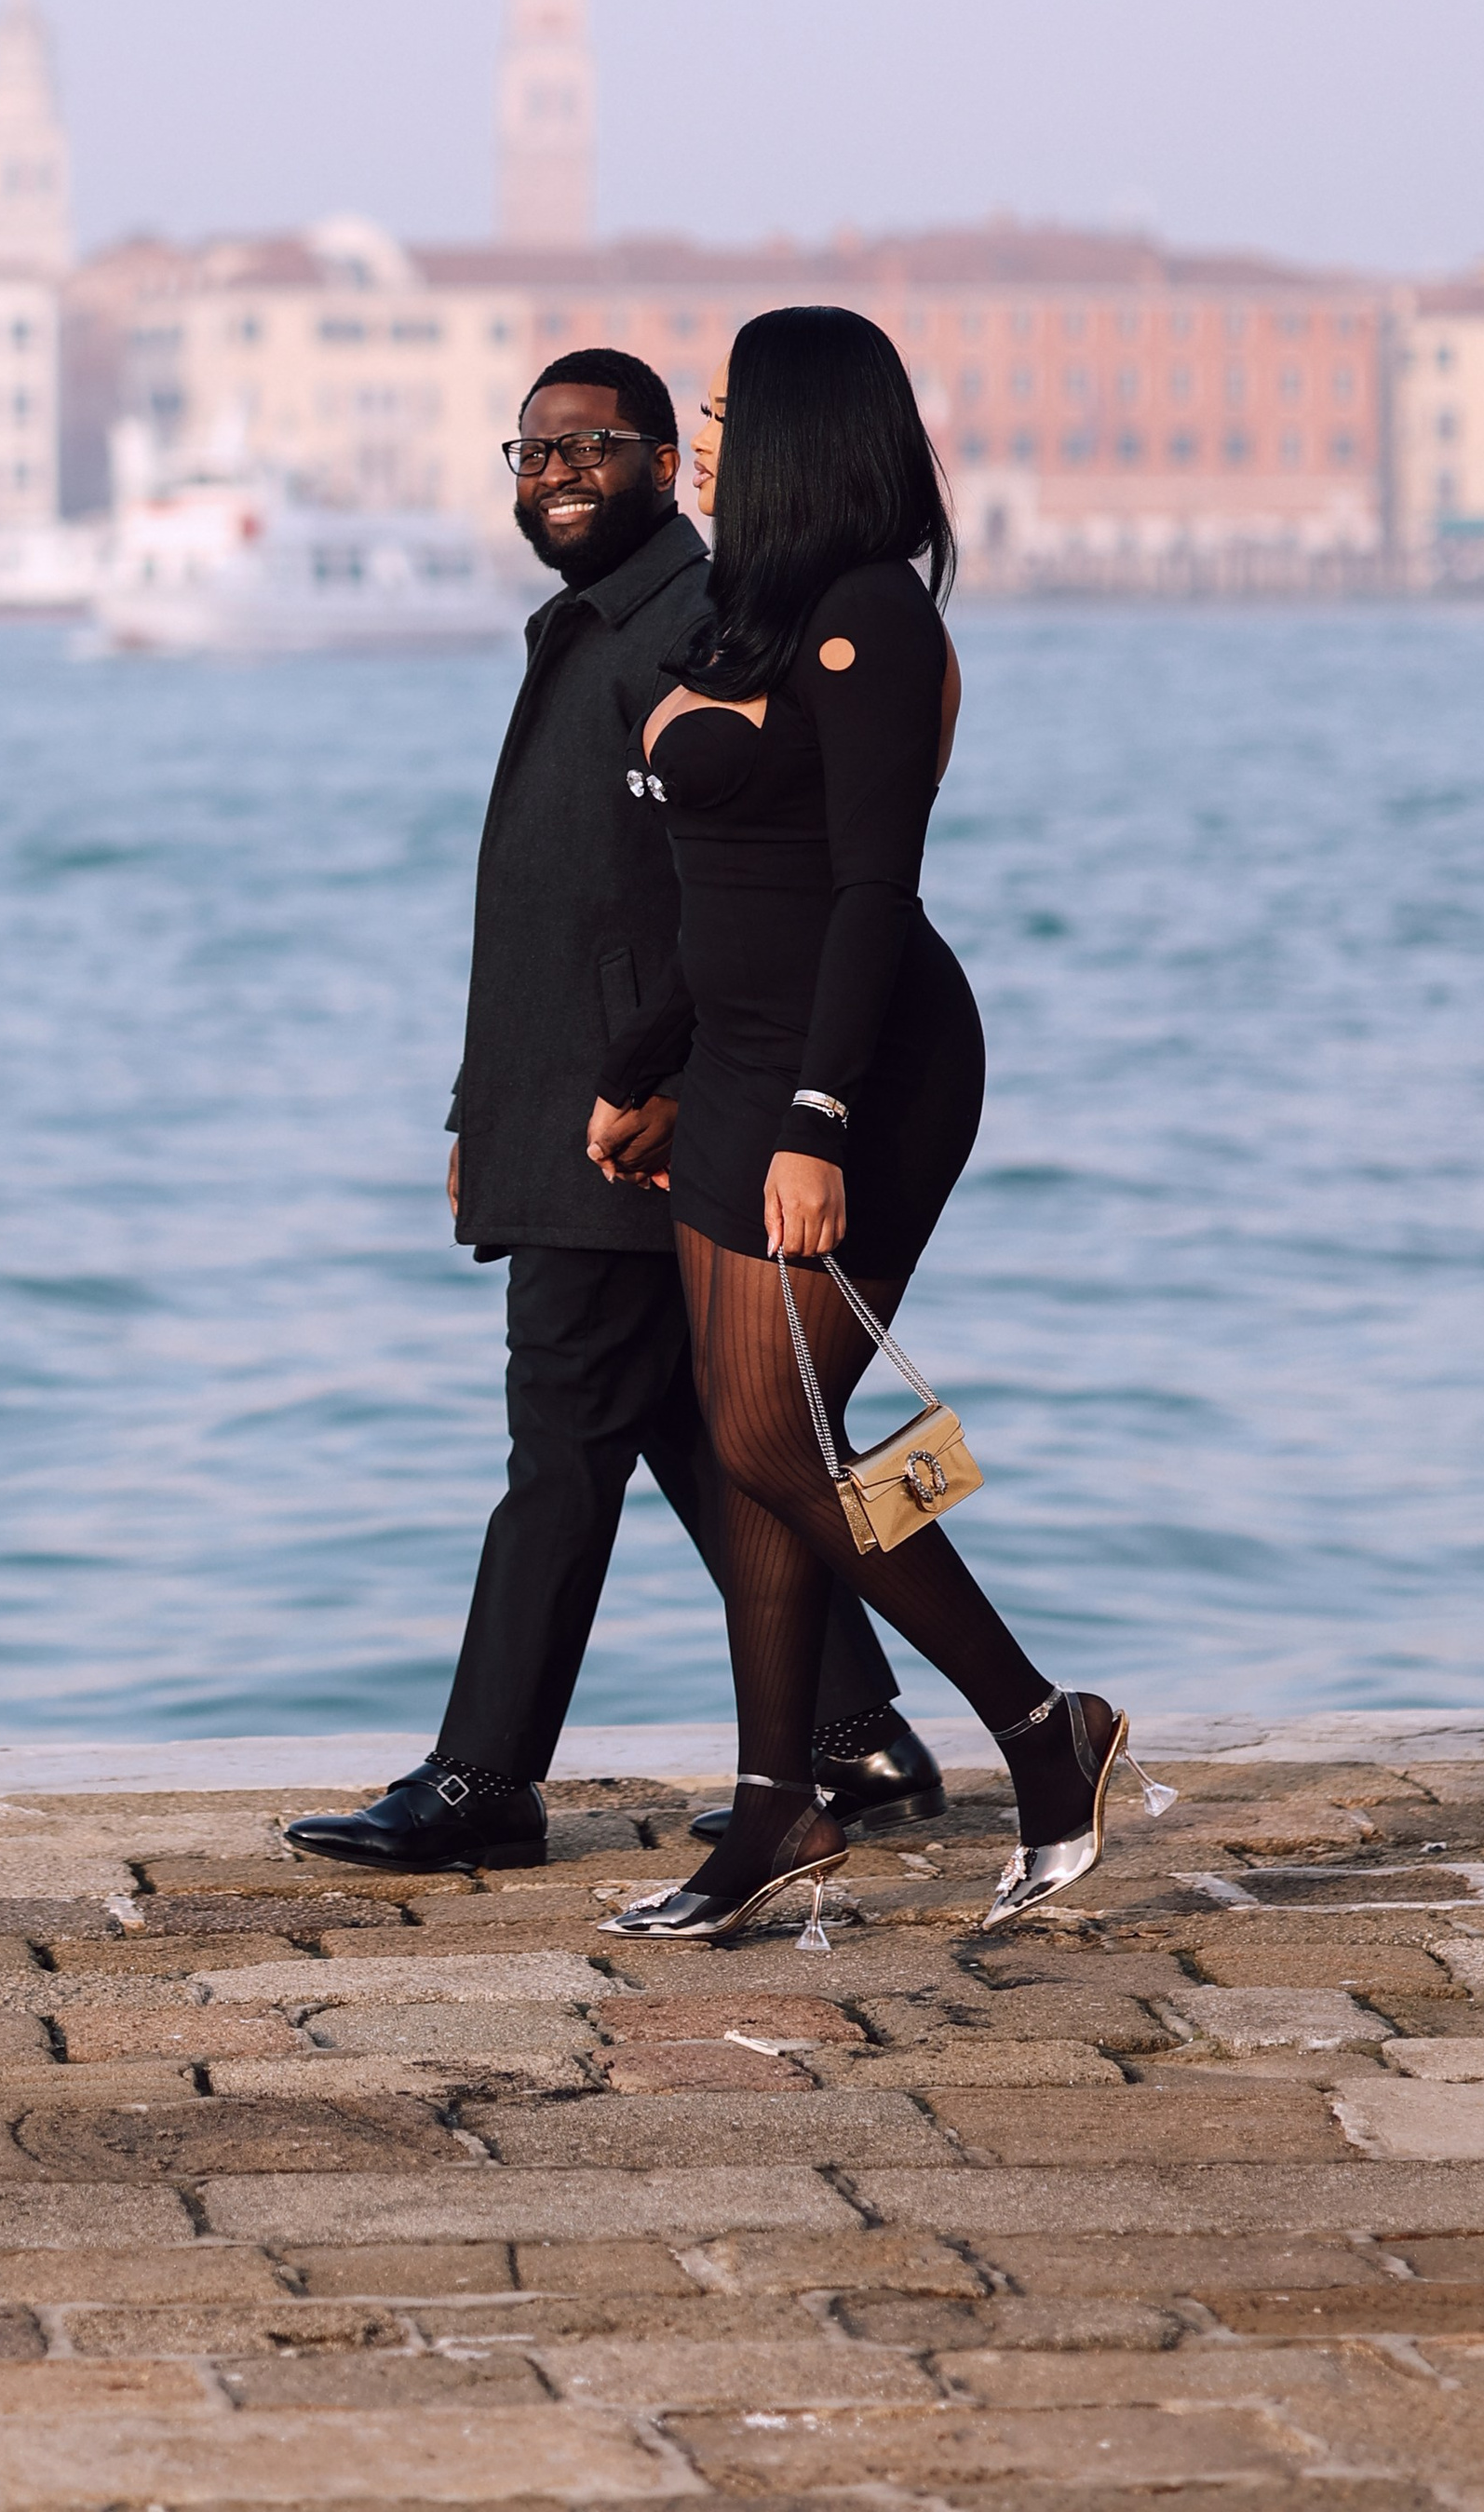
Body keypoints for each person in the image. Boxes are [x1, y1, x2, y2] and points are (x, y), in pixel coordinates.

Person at [284, 347, 940, 1879]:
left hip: (638, 1109)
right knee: (691, 1429)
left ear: (663, 464)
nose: (559, 473)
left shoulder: (703, 626)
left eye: (597, 447)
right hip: (563, 1103)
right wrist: (479, 1112)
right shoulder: (595, 626)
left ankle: (485, 1778)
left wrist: (668, 1083)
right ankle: (854, 1730)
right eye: (533, 453)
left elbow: (750, 892)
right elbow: (549, 906)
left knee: (566, 1433)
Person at [587, 306, 1171, 1943]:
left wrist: (818, 1125)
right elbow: (723, 890)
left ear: (800, 433)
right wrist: (652, 1067)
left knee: (783, 1436)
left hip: (867, 1067)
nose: (697, 434)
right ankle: (779, 1808)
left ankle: (1041, 1727)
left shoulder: (872, 621)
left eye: (718, 411)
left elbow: (866, 892)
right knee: (746, 1440)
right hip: (739, 1064)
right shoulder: (744, 610)